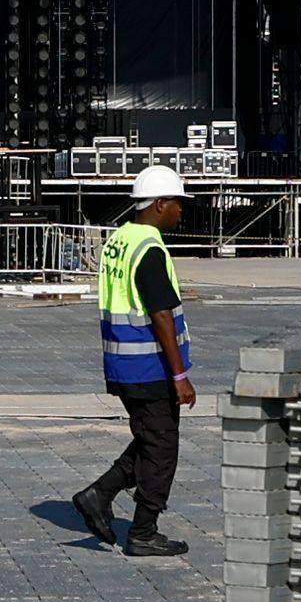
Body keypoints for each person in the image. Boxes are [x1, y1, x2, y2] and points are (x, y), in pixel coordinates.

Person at [70, 164, 194, 557]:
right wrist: (179, 374)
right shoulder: (149, 248)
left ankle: (98, 494)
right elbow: (161, 315)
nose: (181, 210)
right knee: (162, 449)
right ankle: (143, 531)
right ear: (159, 204)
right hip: (149, 366)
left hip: (123, 362)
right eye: (177, 202)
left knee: (150, 440)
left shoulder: (119, 240)